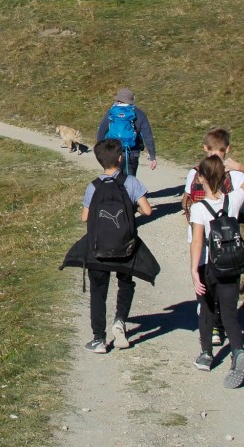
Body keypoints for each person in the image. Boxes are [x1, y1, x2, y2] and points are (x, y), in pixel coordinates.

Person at [183, 128, 244, 348]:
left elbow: (186, 202)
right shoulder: (235, 183)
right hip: (227, 245)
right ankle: (231, 339)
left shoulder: (194, 175)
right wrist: (238, 167)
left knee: (206, 296)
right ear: (227, 150)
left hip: (201, 243)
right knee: (226, 296)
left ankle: (207, 347)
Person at [77, 139, 154, 353]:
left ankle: (99, 339)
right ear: (120, 159)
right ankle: (120, 321)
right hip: (125, 248)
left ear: (99, 161)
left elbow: (85, 217)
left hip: (99, 248)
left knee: (98, 291)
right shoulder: (131, 182)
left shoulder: (93, 186)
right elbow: (147, 211)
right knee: (126, 283)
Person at [189, 154, 244, 387]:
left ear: (201, 179)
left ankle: (206, 354)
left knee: (207, 310)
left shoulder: (199, 208)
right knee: (229, 313)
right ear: (223, 176)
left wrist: (193, 271)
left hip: (209, 265)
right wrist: (236, 166)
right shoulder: (234, 198)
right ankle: (238, 351)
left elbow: (197, 242)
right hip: (231, 265)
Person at [95, 87, 157, 177]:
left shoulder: (112, 112)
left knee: (114, 180)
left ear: (118, 99)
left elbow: (101, 132)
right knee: (129, 180)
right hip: (133, 151)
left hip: (113, 151)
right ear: (132, 100)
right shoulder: (139, 113)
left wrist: (100, 152)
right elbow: (147, 135)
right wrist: (152, 156)